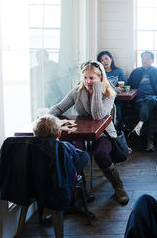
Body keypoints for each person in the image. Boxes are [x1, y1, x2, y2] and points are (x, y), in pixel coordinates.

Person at [48, 60, 129, 205]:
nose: (87, 81)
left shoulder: (109, 93)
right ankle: (80, 190)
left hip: (104, 133)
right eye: (85, 77)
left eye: (92, 78)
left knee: (101, 153)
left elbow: (98, 115)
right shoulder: (78, 91)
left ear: (100, 78)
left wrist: (97, 89)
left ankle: (118, 187)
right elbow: (58, 108)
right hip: (82, 133)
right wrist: (46, 118)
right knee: (76, 153)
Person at [127, 51, 157, 151]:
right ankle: (150, 142)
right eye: (143, 58)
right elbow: (129, 87)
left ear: (152, 60)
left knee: (149, 102)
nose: (145, 60)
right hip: (139, 98)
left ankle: (140, 125)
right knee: (147, 109)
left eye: (147, 58)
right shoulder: (135, 72)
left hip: (153, 98)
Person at [97, 50, 127, 132]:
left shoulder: (119, 71)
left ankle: (120, 134)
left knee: (117, 110)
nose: (105, 61)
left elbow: (122, 87)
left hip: (118, 99)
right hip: (104, 99)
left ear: (111, 59)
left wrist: (115, 89)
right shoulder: (99, 73)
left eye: (106, 59)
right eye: (102, 60)